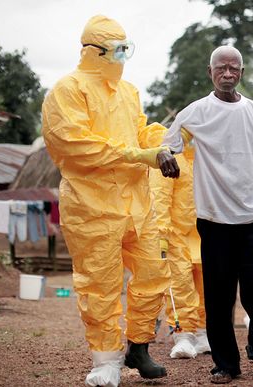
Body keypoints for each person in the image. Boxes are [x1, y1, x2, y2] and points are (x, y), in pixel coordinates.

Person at [41, 15, 171, 387]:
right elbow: (77, 146)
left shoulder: (128, 92)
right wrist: (139, 155)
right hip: (91, 206)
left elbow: (140, 130)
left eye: (126, 48)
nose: (123, 57)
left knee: (152, 274)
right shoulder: (67, 90)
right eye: (117, 49)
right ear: (93, 51)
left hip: (137, 203)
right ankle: (106, 359)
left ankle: (139, 347)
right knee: (100, 283)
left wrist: (164, 139)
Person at [157, 45, 253, 385]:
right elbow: (168, 143)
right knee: (219, 297)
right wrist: (165, 157)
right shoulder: (196, 112)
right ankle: (226, 364)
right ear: (210, 73)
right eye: (221, 68)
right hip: (215, 220)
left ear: (241, 72)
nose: (228, 74)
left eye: (234, 68)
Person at [149, 127, 210, 359]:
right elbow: (159, 197)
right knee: (180, 286)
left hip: (204, 234)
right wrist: (161, 234)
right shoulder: (169, 160)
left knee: (207, 287)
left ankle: (204, 332)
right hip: (176, 236)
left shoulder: (204, 161)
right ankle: (183, 334)